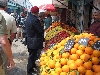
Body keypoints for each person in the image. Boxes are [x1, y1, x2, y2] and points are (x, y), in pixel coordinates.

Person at [25, 6, 44, 75]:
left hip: (29, 39)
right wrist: (41, 26)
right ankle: (29, 70)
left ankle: (32, 66)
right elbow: (40, 30)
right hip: (34, 41)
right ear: (37, 12)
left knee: (32, 55)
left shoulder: (28, 18)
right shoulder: (35, 20)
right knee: (32, 56)